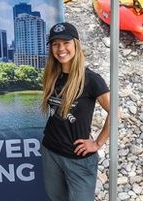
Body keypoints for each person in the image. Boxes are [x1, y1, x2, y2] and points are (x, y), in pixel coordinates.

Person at [41, 21, 112, 201]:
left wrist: (97, 143)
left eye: (66, 43)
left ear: (76, 44)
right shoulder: (52, 76)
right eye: (55, 44)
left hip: (78, 158)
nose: (61, 48)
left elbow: (115, 113)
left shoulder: (91, 79)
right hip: (51, 151)